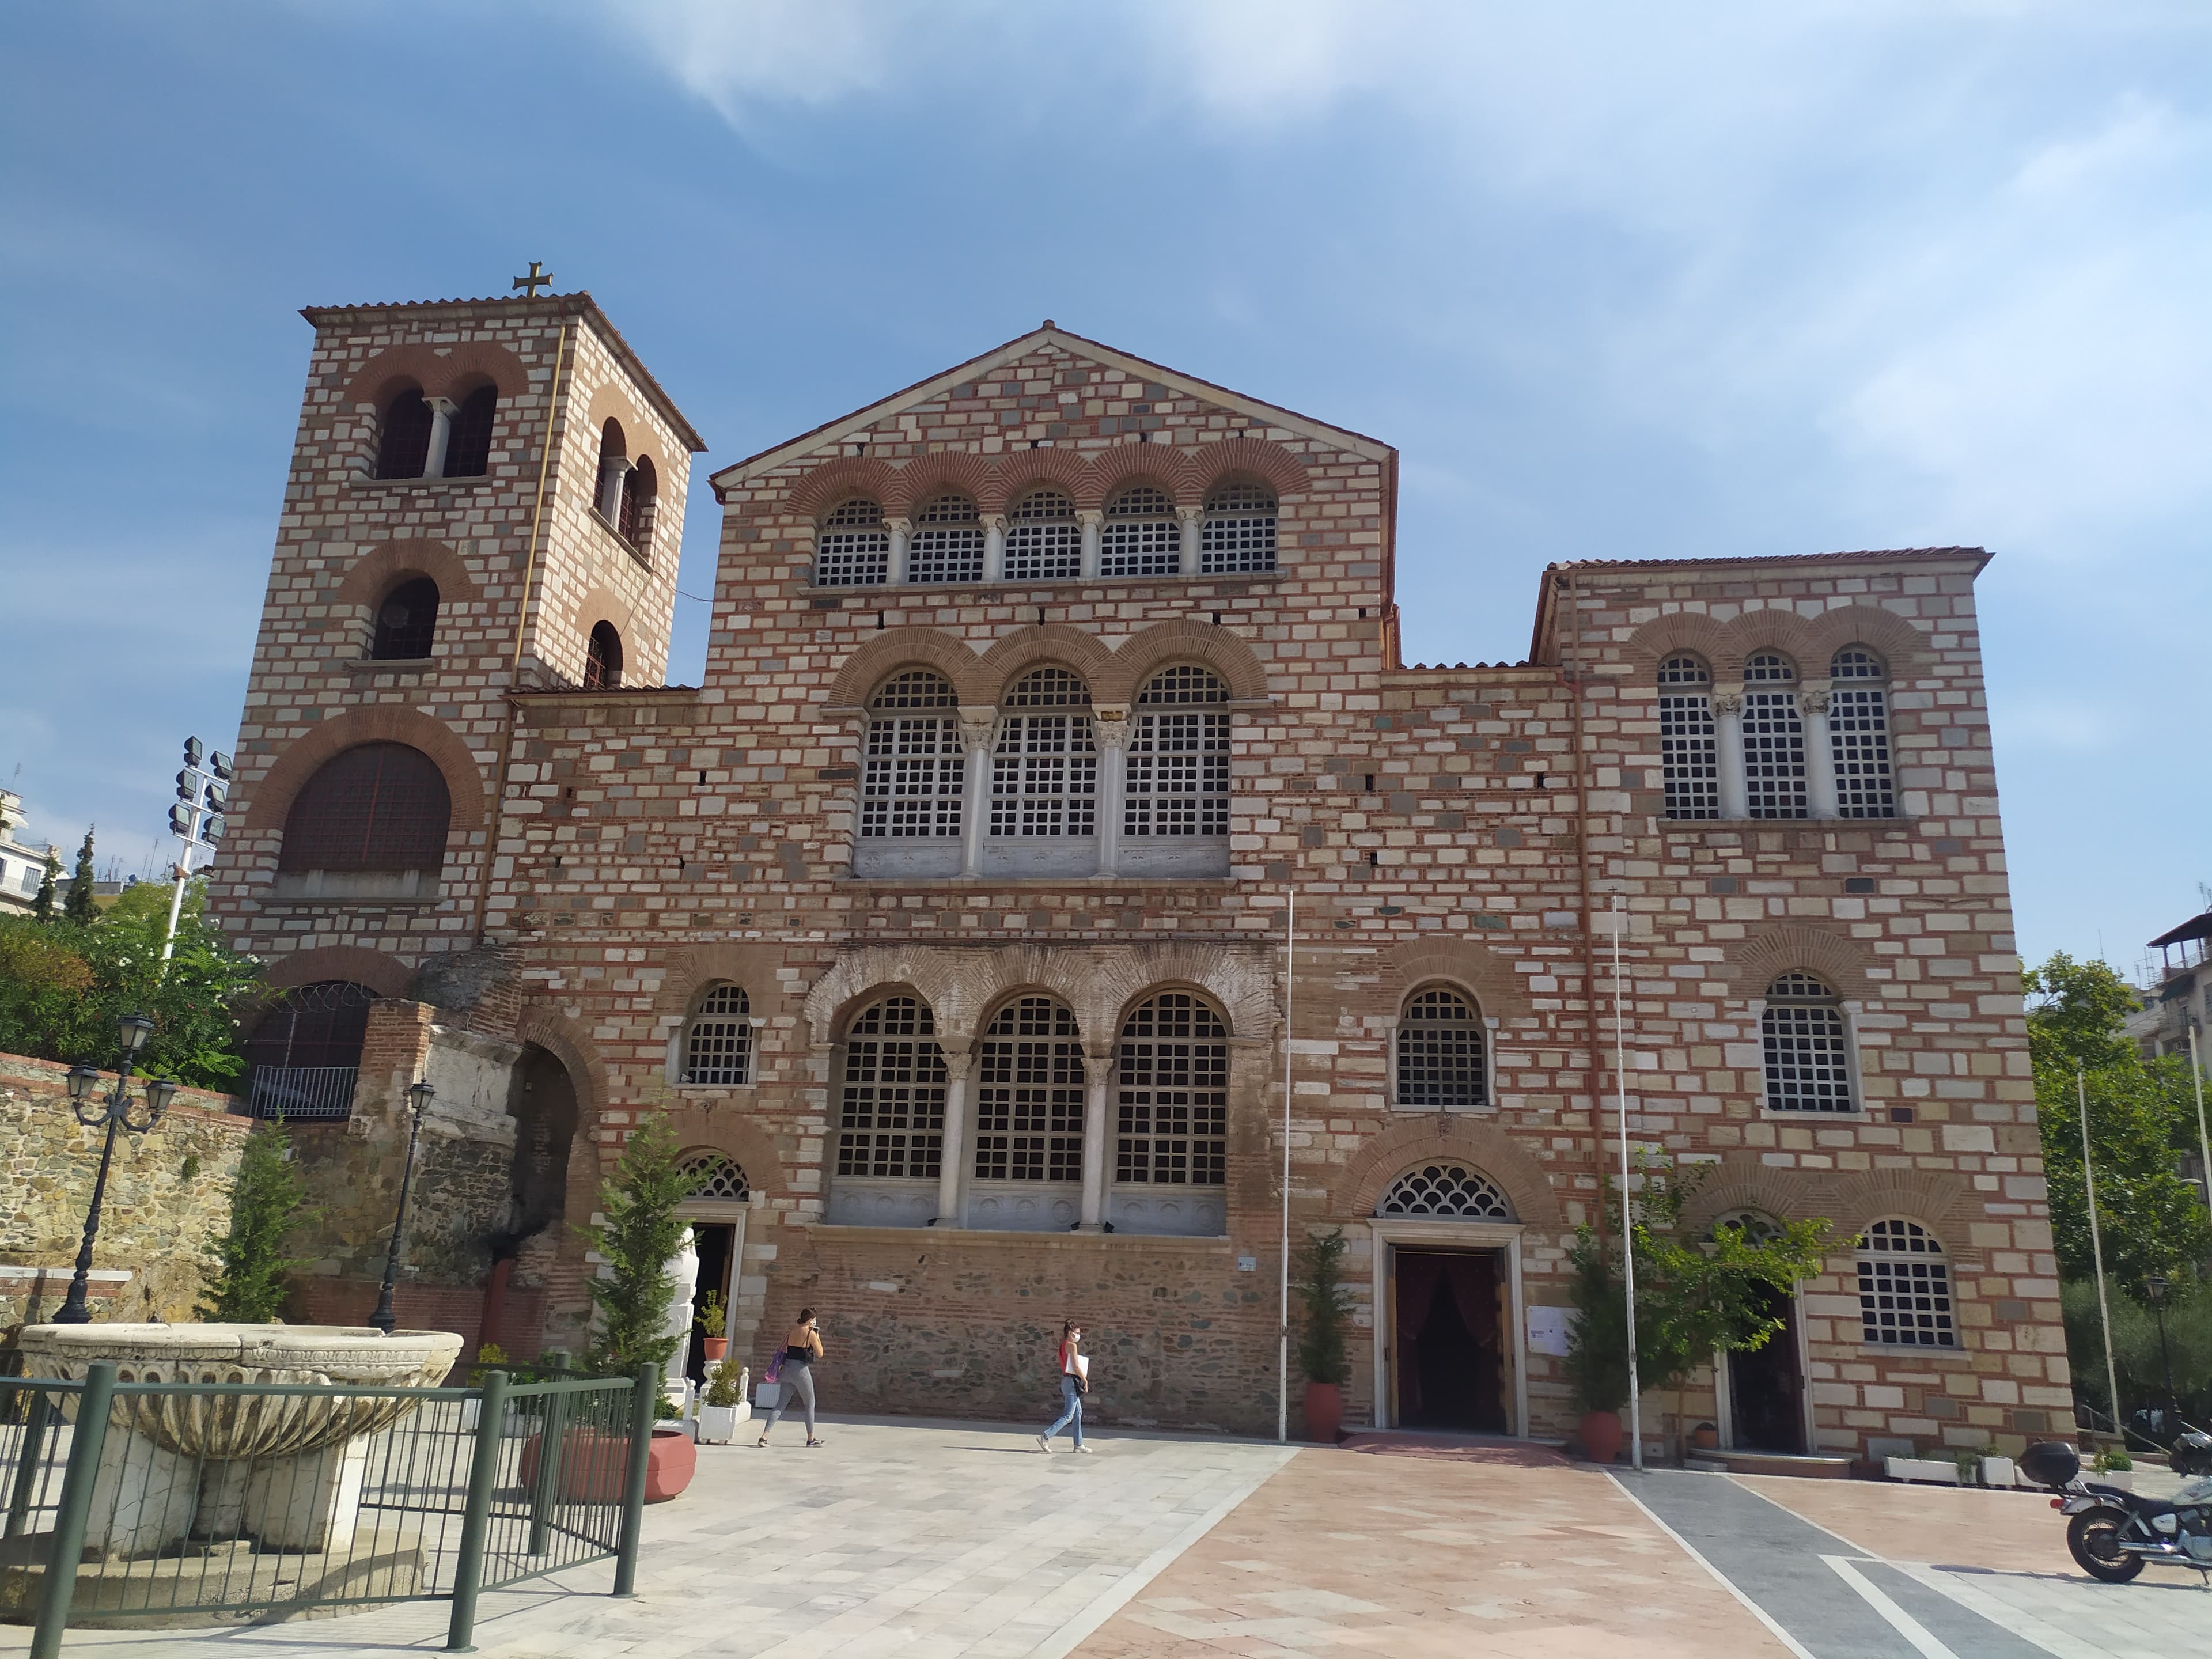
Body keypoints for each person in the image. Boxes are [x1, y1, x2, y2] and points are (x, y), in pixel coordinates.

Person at [757, 1308, 825, 1448]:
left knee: (780, 1405)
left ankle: (764, 1437)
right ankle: (811, 1438)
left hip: (787, 1370)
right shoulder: (811, 1333)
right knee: (810, 1403)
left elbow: (782, 1349)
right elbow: (820, 1353)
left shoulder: (792, 1331)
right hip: (801, 1371)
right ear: (811, 1320)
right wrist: (817, 1335)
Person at [1037, 1319, 1092, 1453]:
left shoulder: (1063, 1345)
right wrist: (1085, 1380)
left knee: (1078, 1413)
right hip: (1071, 1382)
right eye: (1076, 1333)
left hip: (1066, 1381)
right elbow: (1076, 1366)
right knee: (1068, 1416)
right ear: (1070, 1333)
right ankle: (1046, 1437)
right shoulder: (1072, 1346)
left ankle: (1078, 1444)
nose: (1078, 1336)